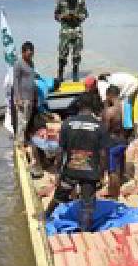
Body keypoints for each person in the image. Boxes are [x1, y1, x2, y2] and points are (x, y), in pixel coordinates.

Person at [46, 88, 108, 232]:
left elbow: (61, 151)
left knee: (59, 196)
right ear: (93, 106)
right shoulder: (100, 126)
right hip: (90, 173)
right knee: (87, 204)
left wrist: (58, 172)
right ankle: (83, 231)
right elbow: (103, 154)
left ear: (79, 105)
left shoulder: (67, 123)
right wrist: (101, 173)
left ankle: (44, 217)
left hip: (71, 171)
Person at [12, 41, 40, 172]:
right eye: (29, 52)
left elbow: (32, 80)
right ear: (23, 52)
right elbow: (16, 81)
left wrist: (35, 97)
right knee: (22, 121)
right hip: (22, 98)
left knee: (27, 121)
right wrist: (17, 98)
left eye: (32, 52)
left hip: (30, 97)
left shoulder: (31, 64)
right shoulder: (18, 64)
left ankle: (23, 141)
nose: (31, 55)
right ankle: (20, 144)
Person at [53, 0, 88, 82]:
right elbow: (56, 15)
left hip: (77, 29)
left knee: (77, 53)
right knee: (62, 53)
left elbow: (85, 14)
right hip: (65, 29)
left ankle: (75, 73)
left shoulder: (80, 0)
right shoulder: (61, 0)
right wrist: (63, 16)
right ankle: (60, 74)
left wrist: (77, 16)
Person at [101, 80, 128, 198]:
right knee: (121, 163)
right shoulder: (126, 107)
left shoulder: (109, 111)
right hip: (123, 140)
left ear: (109, 95)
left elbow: (104, 130)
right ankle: (121, 185)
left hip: (113, 142)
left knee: (112, 171)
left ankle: (113, 195)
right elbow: (129, 126)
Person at [102, 70, 138, 136]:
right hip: (113, 85)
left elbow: (131, 102)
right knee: (122, 106)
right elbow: (125, 101)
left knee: (123, 107)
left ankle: (120, 125)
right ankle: (122, 128)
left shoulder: (135, 83)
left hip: (117, 84)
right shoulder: (135, 85)